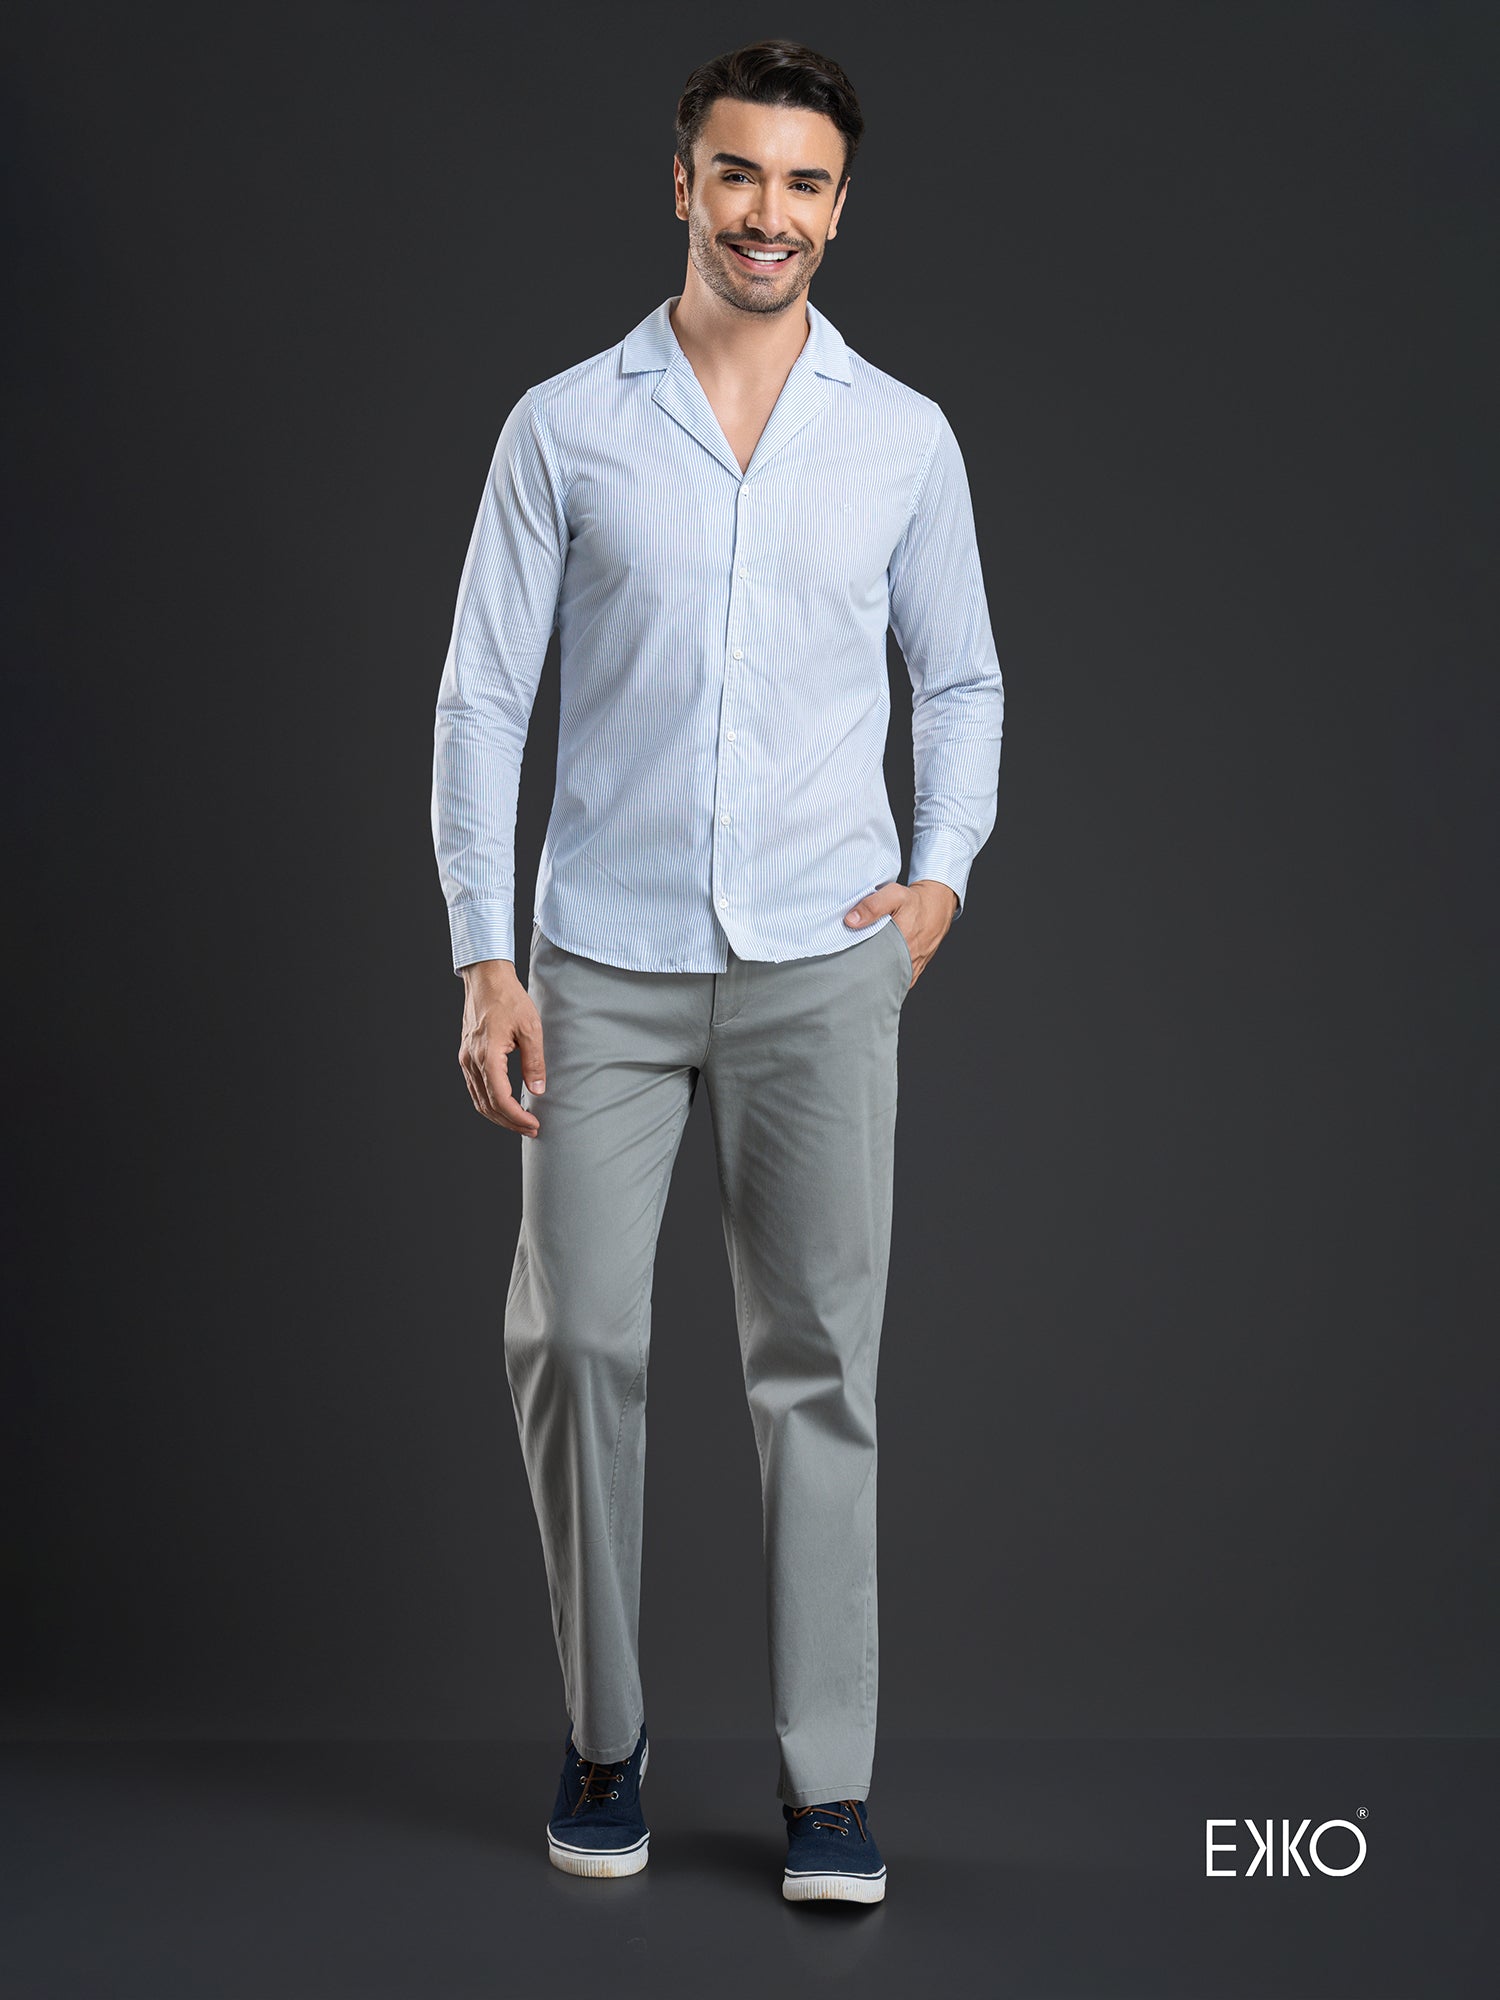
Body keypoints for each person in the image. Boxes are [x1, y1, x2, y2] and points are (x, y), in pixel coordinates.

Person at [431, 36, 1003, 1905]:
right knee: (575, 1341)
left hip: (820, 969)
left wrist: (936, 882)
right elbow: (484, 697)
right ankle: (606, 1737)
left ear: (842, 206)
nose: (771, 213)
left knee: (819, 1365)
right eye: (739, 174)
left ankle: (828, 1788)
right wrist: (486, 957)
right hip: (596, 964)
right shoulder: (563, 427)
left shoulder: (902, 438)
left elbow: (962, 678)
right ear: (681, 184)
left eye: (805, 182)